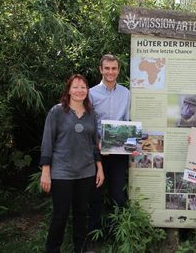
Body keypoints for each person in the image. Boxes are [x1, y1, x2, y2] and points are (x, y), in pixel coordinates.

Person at [40, 74, 104, 253]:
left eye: (83, 87)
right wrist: (46, 171)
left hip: (86, 172)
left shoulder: (92, 114)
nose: (79, 90)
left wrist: (99, 168)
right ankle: (52, 249)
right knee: (60, 215)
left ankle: (80, 249)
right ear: (68, 90)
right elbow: (47, 142)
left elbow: (94, 144)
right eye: (75, 87)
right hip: (62, 173)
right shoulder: (57, 112)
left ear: (87, 90)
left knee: (81, 213)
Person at [88, 54, 131, 239]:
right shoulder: (90, 93)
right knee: (95, 194)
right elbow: (88, 122)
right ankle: (93, 234)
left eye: (114, 68)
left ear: (118, 70)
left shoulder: (126, 93)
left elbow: (126, 121)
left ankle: (116, 235)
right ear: (101, 69)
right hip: (97, 150)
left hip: (118, 151)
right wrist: (96, 141)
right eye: (107, 68)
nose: (110, 72)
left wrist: (131, 142)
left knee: (118, 194)